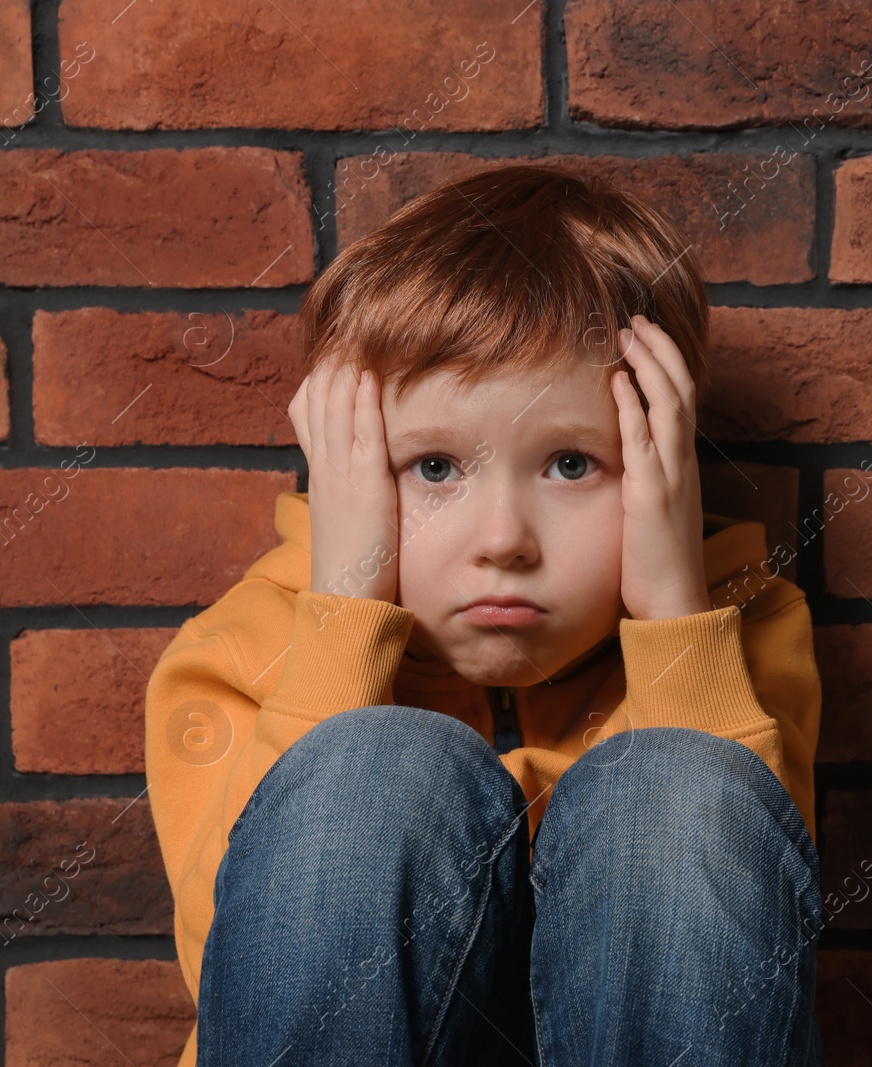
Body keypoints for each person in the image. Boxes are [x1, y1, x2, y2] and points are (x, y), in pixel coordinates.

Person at [142, 161, 827, 1066]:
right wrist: (344, 605)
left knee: (682, 785)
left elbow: (741, 957)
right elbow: (243, 971)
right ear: (351, 471)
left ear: (660, 459)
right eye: (434, 468)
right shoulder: (237, 653)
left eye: (572, 465)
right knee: (370, 769)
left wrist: (671, 614)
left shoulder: (742, 633)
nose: (503, 538)